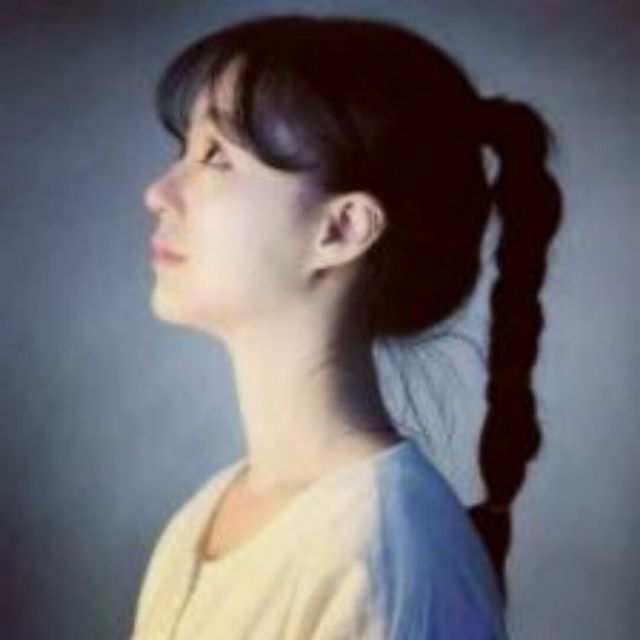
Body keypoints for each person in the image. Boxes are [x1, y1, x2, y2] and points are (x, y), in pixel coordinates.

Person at [131, 12, 563, 639]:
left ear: (341, 229)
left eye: (217, 156)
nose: (158, 192)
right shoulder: (205, 516)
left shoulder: (381, 561)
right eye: (186, 151)